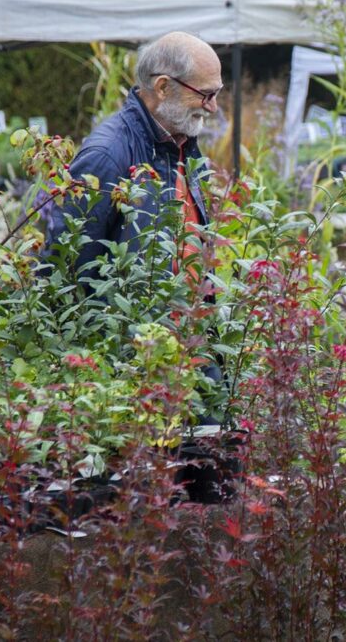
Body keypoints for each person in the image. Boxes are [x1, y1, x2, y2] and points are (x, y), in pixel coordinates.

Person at [47, 31, 225, 425]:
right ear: (163, 87)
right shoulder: (108, 155)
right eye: (206, 95)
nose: (213, 108)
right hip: (139, 363)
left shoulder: (182, 144)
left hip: (194, 347)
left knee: (216, 464)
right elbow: (68, 271)